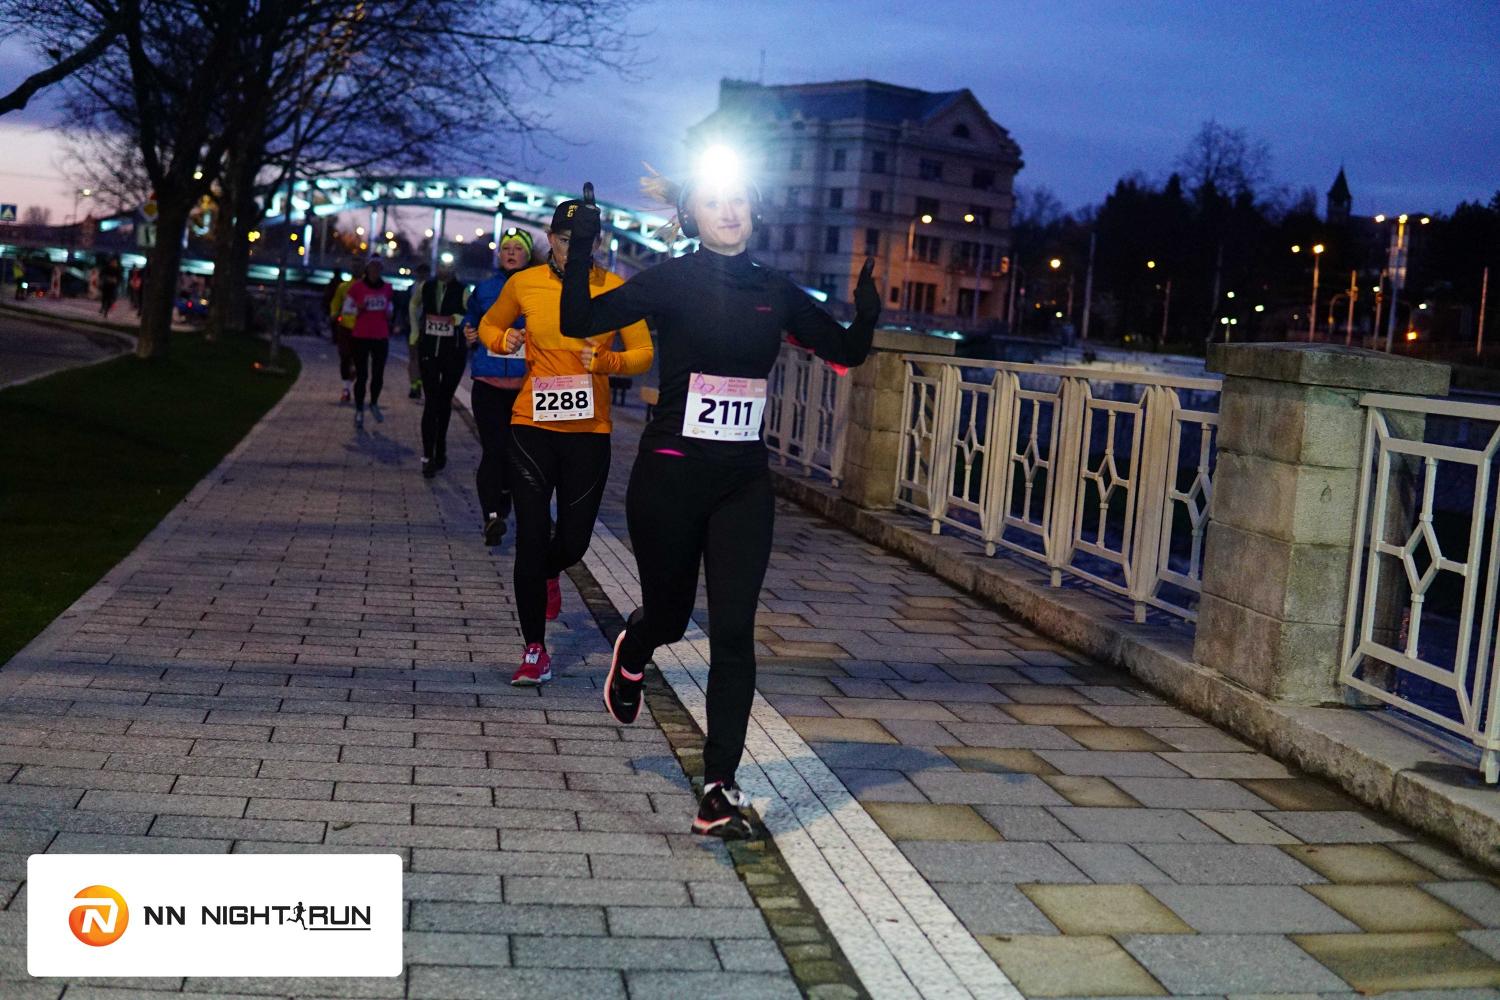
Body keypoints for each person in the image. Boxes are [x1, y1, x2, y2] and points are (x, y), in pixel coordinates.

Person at [559, 154, 880, 838]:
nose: (728, 211)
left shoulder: (776, 290)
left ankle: (717, 788)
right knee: (672, 618)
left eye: (737, 198)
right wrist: (584, 243)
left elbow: (848, 352)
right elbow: (578, 320)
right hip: (670, 476)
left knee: (734, 631)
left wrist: (867, 310)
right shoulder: (672, 279)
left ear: (752, 207)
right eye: (712, 201)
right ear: (691, 216)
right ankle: (635, 648)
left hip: (743, 483)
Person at [478, 203, 652, 687]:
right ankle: (534, 650)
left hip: (589, 433)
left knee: (573, 543)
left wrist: (608, 362)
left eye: (584, 242)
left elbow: (643, 353)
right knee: (531, 538)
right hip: (532, 426)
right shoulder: (524, 283)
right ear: (550, 239)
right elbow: (490, 325)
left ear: (597, 244)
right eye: (564, 240)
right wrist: (504, 340)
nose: (573, 250)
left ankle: (551, 571)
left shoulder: (614, 288)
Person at [462, 227, 534, 545]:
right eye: (506, 248)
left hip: (525, 386)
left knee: (517, 454)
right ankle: (491, 516)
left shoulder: (538, 286)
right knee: (493, 450)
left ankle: (506, 499)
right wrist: (468, 331)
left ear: (528, 254)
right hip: (488, 382)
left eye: (517, 247)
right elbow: (470, 318)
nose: (511, 252)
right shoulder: (485, 288)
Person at [414, 261, 469, 477]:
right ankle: (427, 455)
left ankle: (441, 447)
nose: (443, 271)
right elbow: (413, 305)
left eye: (448, 267)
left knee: (444, 402)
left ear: (455, 269)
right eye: (440, 266)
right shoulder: (425, 287)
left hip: (453, 354)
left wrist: (459, 319)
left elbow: (474, 315)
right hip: (428, 351)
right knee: (431, 402)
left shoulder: (463, 290)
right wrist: (414, 332)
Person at [341, 256, 394, 429]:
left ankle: (374, 403)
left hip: (380, 336)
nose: (375, 270)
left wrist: (390, 313)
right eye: (372, 266)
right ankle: (359, 410)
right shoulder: (357, 287)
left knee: (378, 374)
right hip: (361, 336)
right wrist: (358, 308)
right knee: (362, 375)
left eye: (378, 267)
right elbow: (346, 309)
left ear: (381, 269)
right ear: (367, 268)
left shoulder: (387, 288)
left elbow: (389, 306)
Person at [326, 263, 357, 403]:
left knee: (358, 360)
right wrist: (333, 313)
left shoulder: (367, 288)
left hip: (362, 329)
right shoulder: (343, 287)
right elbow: (335, 302)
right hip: (345, 327)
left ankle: (352, 376)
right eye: (354, 265)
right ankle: (346, 389)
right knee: (345, 357)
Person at [405, 263, 430, 400]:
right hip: (413, 328)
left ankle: (418, 384)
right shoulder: (411, 288)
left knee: (423, 359)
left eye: (424, 273)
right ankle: (414, 386)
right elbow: (405, 306)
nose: (422, 275)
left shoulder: (432, 289)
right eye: (420, 272)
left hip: (427, 328)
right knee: (414, 357)